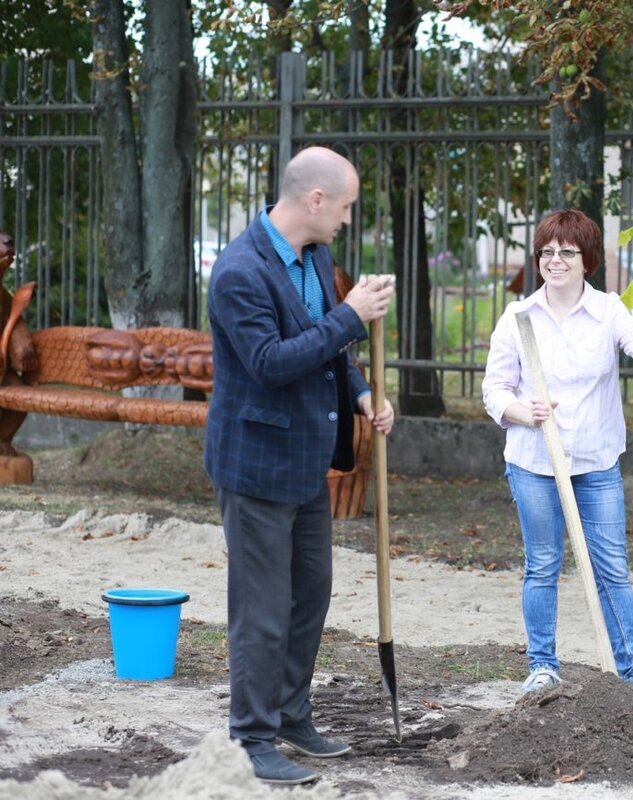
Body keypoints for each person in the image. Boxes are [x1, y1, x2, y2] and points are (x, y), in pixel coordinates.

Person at [204, 147, 395, 785]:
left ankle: (289, 714)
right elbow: (271, 362)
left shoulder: (315, 257)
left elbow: (330, 352)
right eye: (343, 207)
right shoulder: (239, 271)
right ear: (315, 200)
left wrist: (364, 393)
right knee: (261, 607)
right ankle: (250, 737)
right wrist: (351, 317)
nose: (346, 220)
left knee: (309, 595)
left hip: (307, 461)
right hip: (256, 465)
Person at [482, 209, 633, 702]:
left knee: (611, 567)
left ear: (587, 261)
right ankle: (542, 667)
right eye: (547, 252)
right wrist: (525, 411)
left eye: (567, 252)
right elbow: (494, 391)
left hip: (597, 462)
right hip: (534, 461)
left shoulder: (608, 311)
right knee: (542, 563)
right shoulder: (518, 317)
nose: (555, 261)